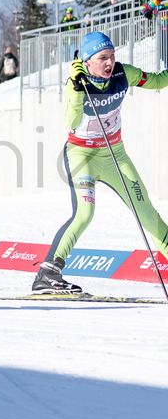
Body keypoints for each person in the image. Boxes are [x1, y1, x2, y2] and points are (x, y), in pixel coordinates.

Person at [33, 31, 168, 293]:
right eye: (103, 58)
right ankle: (47, 274)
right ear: (87, 61)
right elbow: (71, 123)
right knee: (84, 213)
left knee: (146, 213)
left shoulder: (122, 73)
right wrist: (74, 88)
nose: (109, 63)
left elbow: (156, 81)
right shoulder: (78, 82)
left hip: (115, 154)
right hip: (81, 155)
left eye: (112, 55)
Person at [140, 0, 168, 68]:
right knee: (162, 51)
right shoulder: (152, 1)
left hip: (167, 27)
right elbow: (142, 8)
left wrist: (150, 7)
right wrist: (146, 11)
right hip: (160, 28)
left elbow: (157, 1)